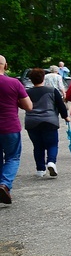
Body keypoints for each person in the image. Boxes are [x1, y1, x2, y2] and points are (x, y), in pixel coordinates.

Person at [25, 68, 70, 178]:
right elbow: (60, 106)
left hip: (32, 122)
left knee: (37, 146)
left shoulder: (27, 92)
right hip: (49, 121)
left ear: (31, 80)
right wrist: (65, 117)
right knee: (52, 144)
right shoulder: (52, 90)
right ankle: (51, 162)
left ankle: (40, 169)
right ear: (43, 78)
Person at [0, 55, 33, 204]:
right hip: (9, 127)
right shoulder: (14, 83)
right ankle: (5, 184)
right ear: (5, 66)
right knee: (12, 157)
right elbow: (28, 106)